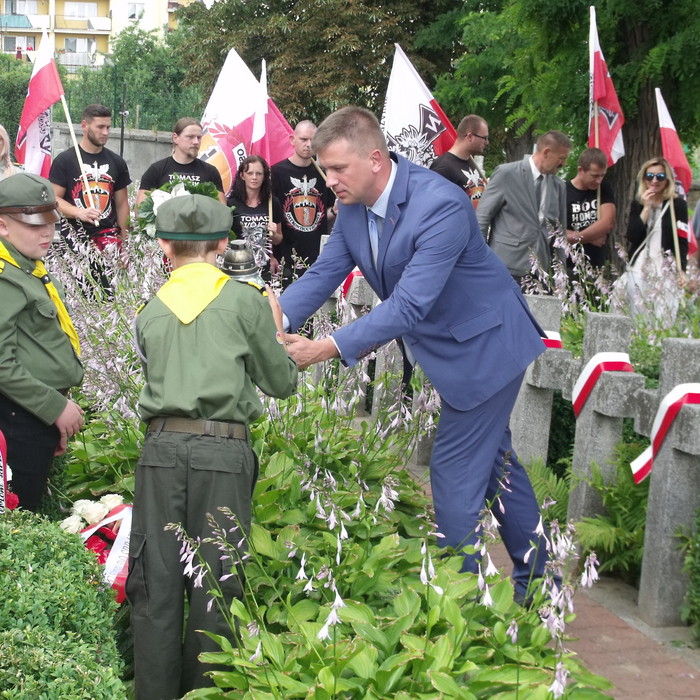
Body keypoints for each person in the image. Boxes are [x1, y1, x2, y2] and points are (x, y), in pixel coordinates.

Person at [278, 106, 551, 603]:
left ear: (376, 159)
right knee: (498, 469)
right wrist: (267, 321)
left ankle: (464, 607)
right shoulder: (353, 209)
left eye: (339, 168)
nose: (329, 180)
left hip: (486, 348)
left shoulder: (441, 204)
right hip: (455, 349)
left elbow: (409, 305)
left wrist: (328, 347)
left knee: (451, 478)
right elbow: (323, 275)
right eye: (324, 169)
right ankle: (541, 586)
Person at [126, 194, 297, 700]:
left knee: (155, 583)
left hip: (160, 449)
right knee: (218, 583)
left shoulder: (149, 311)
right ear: (223, 244)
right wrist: (277, 325)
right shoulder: (246, 302)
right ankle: (207, 691)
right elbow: (280, 381)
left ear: (163, 246)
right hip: (223, 452)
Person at [0, 173, 84, 511]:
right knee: (20, 515)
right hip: (16, 417)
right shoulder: (6, 277)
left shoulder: (27, 267)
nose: (47, 231)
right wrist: (53, 408)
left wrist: (52, 411)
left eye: (49, 221)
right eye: (34, 224)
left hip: (35, 414)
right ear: (3, 226)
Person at [477, 130, 571, 285]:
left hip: (539, 274)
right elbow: (482, 218)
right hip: (503, 268)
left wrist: (561, 275)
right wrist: (481, 260)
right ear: (546, 152)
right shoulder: (507, 174)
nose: (564, 164)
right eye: (561, 158)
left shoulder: (559, 186)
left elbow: (560, 234)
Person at [49, 104, 131, 251]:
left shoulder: (117, 162)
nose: (105, 132)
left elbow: (122, 205)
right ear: (84, 125)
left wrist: (125, 244)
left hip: (109, 242)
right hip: (74, 243)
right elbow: (53, 199)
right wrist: (79, 212)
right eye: (100, 127)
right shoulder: (65, 160)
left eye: (108, 127)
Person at [622, 157, 688, 318]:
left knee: (663, 315)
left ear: (667, 180)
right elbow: (632, 235)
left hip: (664, 267)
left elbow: (682, 240)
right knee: (636, 313)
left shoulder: (676, 205)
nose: (654, 181)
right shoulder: (638, 203)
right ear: (644, 178)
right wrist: (646, 208)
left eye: (660, 177)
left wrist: (682, 271)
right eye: (650, 176)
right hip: (640, 265)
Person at [271, 120, 335, 276]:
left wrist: (334, 210)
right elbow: (271, 218)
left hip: (316, 258)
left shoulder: (323, 174)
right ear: (293, 140)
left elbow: (322, 215)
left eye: (313, 140)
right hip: (285, 258)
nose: (308, 144)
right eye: (304, 139)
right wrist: (271, 255)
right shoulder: (276, 172)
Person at [135, 117, 226, 209]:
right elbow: (140, 210)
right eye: (190, 137)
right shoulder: (156, 170)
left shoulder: (210, 172)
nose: (196, 142)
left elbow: (222, 211)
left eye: (199, 137)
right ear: (175, 138)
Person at [227, 155, 283, 277]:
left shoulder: (272, 203)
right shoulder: (231, 204)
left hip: (264, 267)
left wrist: (273, 233)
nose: (254, 177)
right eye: (250, 173)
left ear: (264, 177)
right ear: (242, 175)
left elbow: (278, 240)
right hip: (239, 265)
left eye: (259, 173)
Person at [565, 147, 616, 269]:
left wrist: (575, 237)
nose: (599, 180)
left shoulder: (603, 188)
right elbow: (558, 234)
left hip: (597, 265)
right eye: (594, 176)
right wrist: (588, 238)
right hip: (569, 267)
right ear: (581, 170)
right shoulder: (562, 191)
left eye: (602, 175)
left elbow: (607, 222)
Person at [429, 114, 489, 209]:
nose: (487, 142)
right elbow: (435, 208)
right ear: (469, 137)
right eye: (484, 138)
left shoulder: (471, 163)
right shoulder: (442, 168)